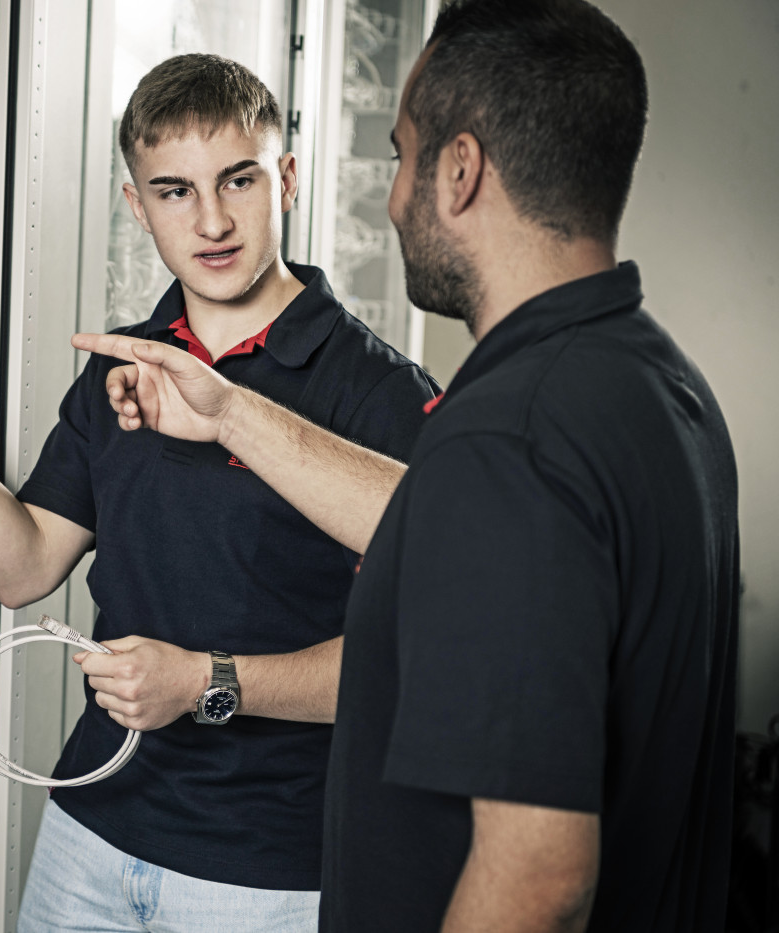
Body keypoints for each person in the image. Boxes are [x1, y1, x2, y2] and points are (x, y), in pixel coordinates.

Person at [75, 2, 738, 931]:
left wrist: (207, 677)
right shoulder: (661, 386)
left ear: (458, 171)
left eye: (400, 156)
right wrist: (227, 413)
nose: (391, 199)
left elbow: (539, 876)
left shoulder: (509, 439)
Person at [0, 53, 437, 930]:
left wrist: (206, 681)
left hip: (265, 874)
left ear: (286, 179)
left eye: (239, 180)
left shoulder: (381, 393)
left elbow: (416, 659)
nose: (212, 220)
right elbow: (23, 566)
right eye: (175, 191)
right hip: (91, 832)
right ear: (138, 206)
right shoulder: (127, 368)